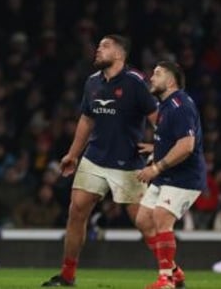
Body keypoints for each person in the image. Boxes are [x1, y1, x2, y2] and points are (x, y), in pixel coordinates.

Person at [42, 35, 158, 287]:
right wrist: (73, 154)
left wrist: (158, 147)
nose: (98, 49)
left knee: (144, 223)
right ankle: (67, 274)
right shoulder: (92, 82)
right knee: (77, 211)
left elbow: (158, 117)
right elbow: (86, 120)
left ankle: (172, 272)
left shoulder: (136, 82)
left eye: (104, 46)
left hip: (128, 163)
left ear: (119, 54)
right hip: (94, 158)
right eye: (98, 46)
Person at [135, 61, 203, 289]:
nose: (151, 78)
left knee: (162, 217)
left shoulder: (180, 105)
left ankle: (166, 280)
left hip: (185, 177)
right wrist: (156, 149)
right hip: (168, 176)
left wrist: (156, 167)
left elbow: (186, 145)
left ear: (171, 81)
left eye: (157, 74)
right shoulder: (163, 106)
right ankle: (174, 271)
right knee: (143, 220)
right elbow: (173, 140)